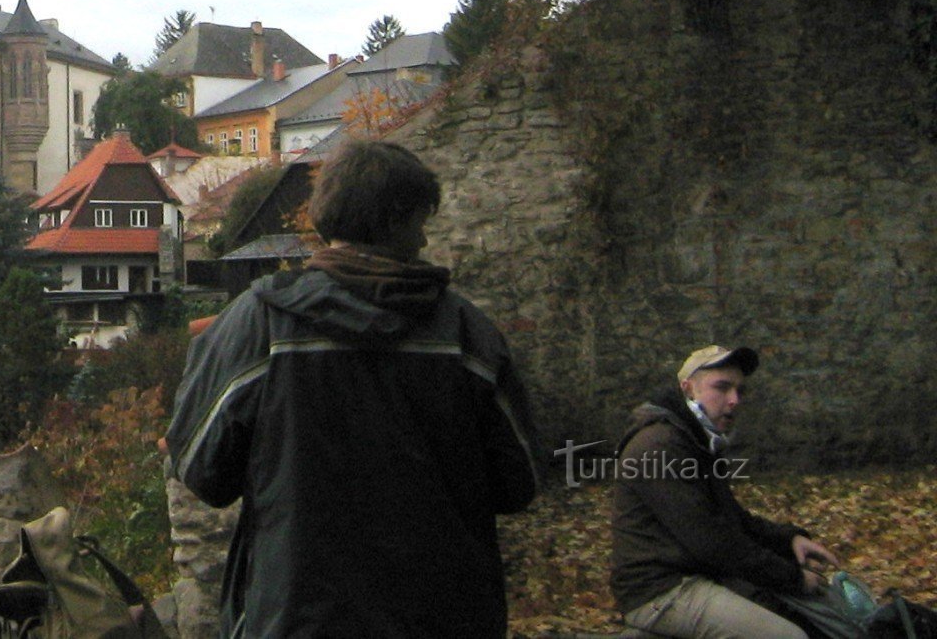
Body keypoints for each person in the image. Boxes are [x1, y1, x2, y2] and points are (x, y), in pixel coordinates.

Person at [166, 140, 540, 639]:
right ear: (395, 223)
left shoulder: (260, 325)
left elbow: (200, 470)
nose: (425, 240)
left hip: (296, 616)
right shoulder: (466, 334)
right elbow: (521, 481)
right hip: (446, 615)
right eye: (420, 221)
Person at [610, 345, 838, 639]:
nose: (734, 400)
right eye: (722, 387)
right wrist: (792, 578)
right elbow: (711, 541)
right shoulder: (659, 445)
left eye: (739, 390)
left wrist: (787, 538)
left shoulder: (695, 439)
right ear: (688, 388)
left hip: (695, 576)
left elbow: (730, 519)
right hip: (660, 590)